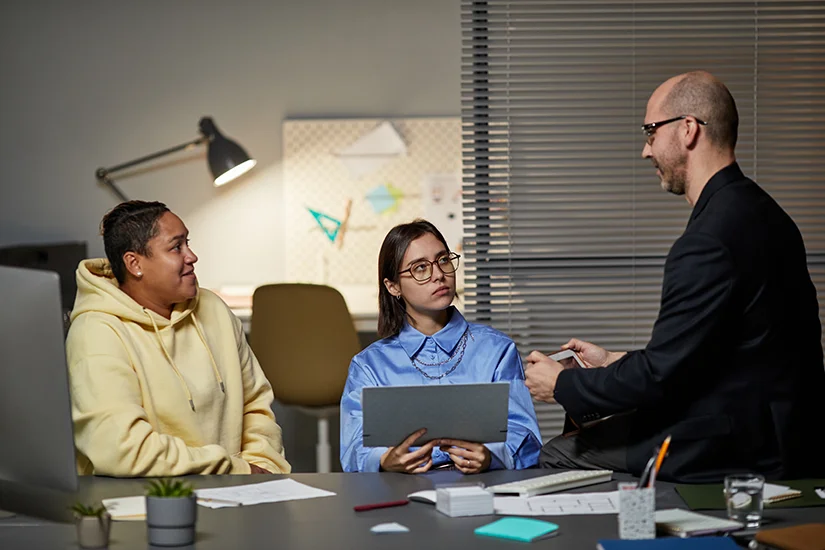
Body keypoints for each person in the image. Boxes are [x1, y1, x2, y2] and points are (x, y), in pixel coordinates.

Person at [524, 71, 825, 482]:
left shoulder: (708, 240)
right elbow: (716, 352)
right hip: (782, 429)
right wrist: (614, 361)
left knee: (560, 452)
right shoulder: (766, 214)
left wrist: (563, 386)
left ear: (687, 129)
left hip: (736, 441)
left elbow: (660, 377)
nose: (646, 151)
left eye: (651, 132)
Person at [66, 200, 291, 476]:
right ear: (134, 263)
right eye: (176, 247)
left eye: (188, 243)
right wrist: (237, 470)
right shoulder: (97, 332)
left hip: (234, 494)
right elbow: (123, 450)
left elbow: (255, 406)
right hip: (140, 503)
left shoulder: (214, 309)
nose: (192, 256)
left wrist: (262, 467)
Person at [340, 220, 542, 473]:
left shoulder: (497, 350)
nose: (439, 275)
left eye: (443, 260)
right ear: (393, 287)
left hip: (483, 487)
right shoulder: (369, 365)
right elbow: (353, 448)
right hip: (400, 492)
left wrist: (491, 456)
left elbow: (525, 435)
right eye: (420, 268)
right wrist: (384, 460)